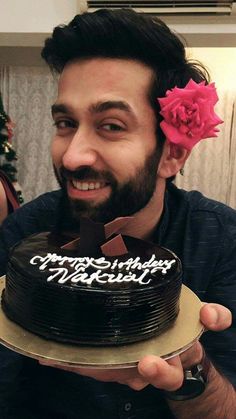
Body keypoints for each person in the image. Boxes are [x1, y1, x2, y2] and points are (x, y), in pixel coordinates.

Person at [0, 8, 235, 419]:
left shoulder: (222, 240)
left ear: (172, 153)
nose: (72, 156)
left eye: (111, 125)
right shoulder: (26, 231)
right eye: (65, 122)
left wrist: (191, 371)